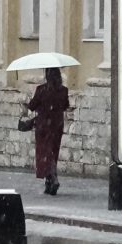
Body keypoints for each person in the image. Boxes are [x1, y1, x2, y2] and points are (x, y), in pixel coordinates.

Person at [27, 67, 71, 195]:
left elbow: (32, 106)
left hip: (43, 126)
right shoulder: (63, 90)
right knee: (53, 151)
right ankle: (50, 180)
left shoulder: (41, 90)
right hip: (57, 125)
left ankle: (52, 177)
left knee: (44, 153)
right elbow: (65, 105)